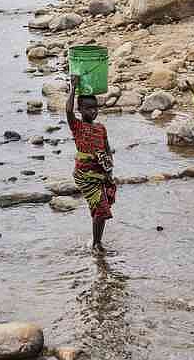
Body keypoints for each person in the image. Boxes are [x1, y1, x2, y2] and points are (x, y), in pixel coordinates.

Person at [67, 74, 116, 253]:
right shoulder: (77, 126)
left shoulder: (100, 128)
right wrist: (73, 87)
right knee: (101, 209)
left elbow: (107, 148)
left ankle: (97, 242)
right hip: (85, 176)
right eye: (88, 109)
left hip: (101, 173)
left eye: (94, 108)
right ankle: (96, 244)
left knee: (101, 209)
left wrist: (109, 169)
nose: (92, 112)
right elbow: (68, 112)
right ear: (80, 109)